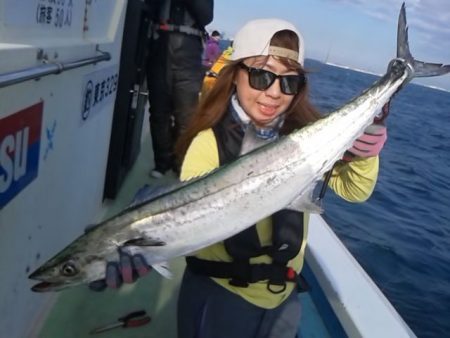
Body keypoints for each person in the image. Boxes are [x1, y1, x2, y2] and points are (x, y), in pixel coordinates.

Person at [91, 18, 387, 338]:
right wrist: (144, 250)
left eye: (289, 82)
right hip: (221, 298)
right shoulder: (207, 143)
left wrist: (365, 155)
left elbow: (354, 191)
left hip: (284, 298)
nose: (274, 93)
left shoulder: (308, 138)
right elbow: (192, 220)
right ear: (235, 76)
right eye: (261, 76)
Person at [146, 0, 214, 178]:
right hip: (159, 46)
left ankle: (180, 163)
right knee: (159, 113)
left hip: (188, 52)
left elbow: (206, 16)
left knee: (186, 116)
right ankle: (161, 163)